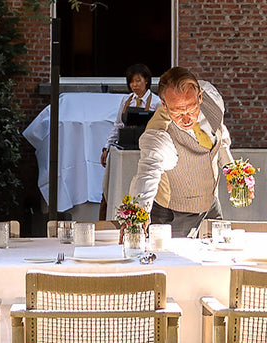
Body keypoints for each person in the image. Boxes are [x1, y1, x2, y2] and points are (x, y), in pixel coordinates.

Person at [129, 66, 233, 237]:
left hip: (211, 207)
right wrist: (138, 215)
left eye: (192, 109)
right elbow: (148, 173)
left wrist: (231, 170)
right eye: (177, 112)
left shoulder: (211, 98)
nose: (186, 119)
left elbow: (219, 136)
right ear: (164, 104)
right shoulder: (158, 132)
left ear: (200, 96)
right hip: (173, 215)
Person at [100, 63, 161, 168]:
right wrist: (107, 147)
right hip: (126, 150)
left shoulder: (156, 102)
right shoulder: (126, 100)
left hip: (148, 152)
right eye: (131, 81)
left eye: (138, 80)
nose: (134, 85)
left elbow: (161, 129)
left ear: (146, 80)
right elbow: (118, 125)